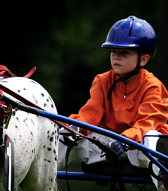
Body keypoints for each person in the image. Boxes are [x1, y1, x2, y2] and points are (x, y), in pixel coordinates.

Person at [58, 15, 168, 191]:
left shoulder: (154, 86)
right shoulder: (102, 80)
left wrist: (124, 141)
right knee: (66, 133)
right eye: (113, 51)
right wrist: (76, 128)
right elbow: (90, 114)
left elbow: (146, 125)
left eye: (124, 52)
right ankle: (38, 174)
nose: (116, 56)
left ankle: (164, 186)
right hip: (109, 147)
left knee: (152, 138)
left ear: (144, 59)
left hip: (141, 149)